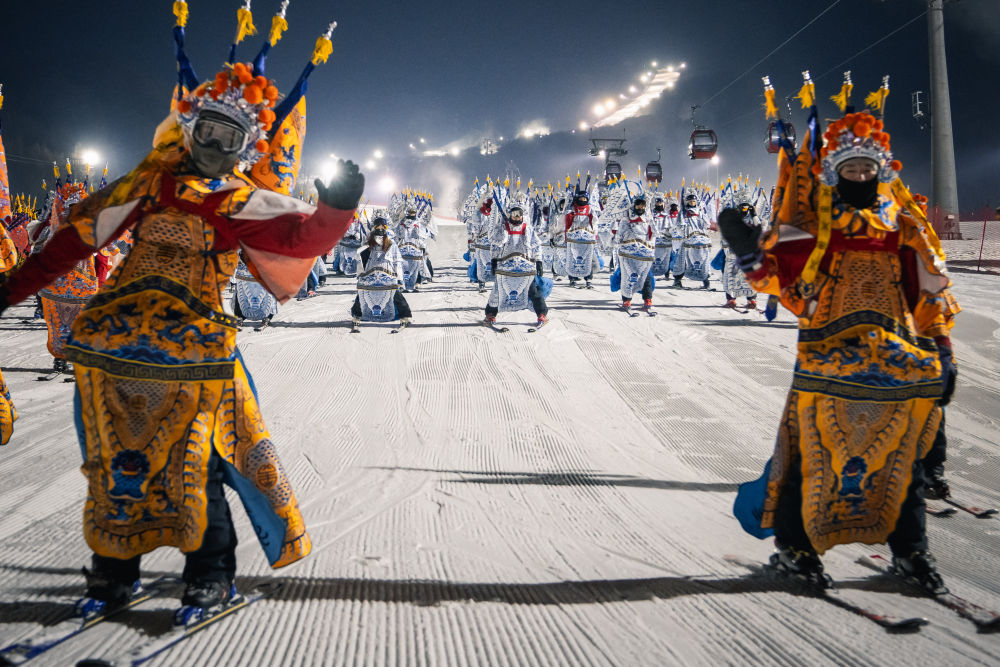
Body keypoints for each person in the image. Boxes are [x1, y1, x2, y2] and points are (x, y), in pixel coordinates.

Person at [0, 61, 364, 611]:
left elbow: (300, 236)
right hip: (117, 343)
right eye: (209, 130)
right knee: (114, 459)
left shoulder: (238, 201)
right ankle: (114, 571)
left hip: (195, 349)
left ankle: (210, 571)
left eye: (230, 137)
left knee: (203, 458)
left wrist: (339, 204)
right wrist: (8, 290)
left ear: (245, 147)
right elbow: (74, 239)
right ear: (190, 128)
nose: (216, 144)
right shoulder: (147, 183)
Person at [726, 100, 960, 592]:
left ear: (881, 170)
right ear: (835, 171)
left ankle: (911, 550)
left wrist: (942, 347)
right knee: (811, 456)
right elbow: (775, 278)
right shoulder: (815, 223)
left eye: (866, 167)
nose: (858, 173)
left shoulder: (902, 224)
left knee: (902, 460)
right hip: (826, 359)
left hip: (895, 357)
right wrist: (748, 250)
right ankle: (797, 550)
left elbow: (930, 286)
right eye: (849, 166)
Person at [485, 195, 549, 327]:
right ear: (509, 215)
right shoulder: (503, 228)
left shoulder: (528, 229)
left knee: (532, 290)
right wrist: (494, 260)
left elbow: (536, 245)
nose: (516, 217)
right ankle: (490, 314)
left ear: (522, 215)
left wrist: (539, 261)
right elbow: (496, 245)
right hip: (505, 265)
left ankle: (541, 314)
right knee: (498, 290)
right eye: (513, 214)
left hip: (525, 266)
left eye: (518, 214)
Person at [351, 218, 412, 328]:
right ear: (374, 228)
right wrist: (360, 273)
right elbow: (360, 258)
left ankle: (405, 316)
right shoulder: (368, 242)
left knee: (395, 294)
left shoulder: (391, 244)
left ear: (385, 228)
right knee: (363, 293)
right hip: (370, 272)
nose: (380, 229)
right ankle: (356, 315)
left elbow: (397, 261)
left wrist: (400, 278)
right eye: (377, 227)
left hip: (387, 272)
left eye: (382, 227)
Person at [613, 192, 656, 312]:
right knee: (627, 276)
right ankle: (626, 300)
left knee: (646, 276)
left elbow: (654, 234)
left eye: (643, 205)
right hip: (628, 253)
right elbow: (619, 235)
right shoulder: (626, 219)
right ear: (634, 206)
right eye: (638, 205)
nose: (640, 208)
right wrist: (617, 243)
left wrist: (650, 245)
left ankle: (647, 299)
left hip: (644, 253)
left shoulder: (648, 218)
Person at [721, 187, 762, 311]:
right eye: (742, 207)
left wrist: (754, 215)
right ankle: (731, 299)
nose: (745, 210)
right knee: (730, 275)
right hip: (733, 252)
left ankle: (751, 299)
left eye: (747, 207)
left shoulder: (752, 219)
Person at [671, 191, 712, 289]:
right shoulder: (683, 213)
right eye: (690, 201)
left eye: (693, 201)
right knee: (682, 261)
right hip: (688, 239)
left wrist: (704, 217)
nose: (692, 203)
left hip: (700, 239)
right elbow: (678, 226)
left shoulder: (700, 212)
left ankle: (705, 279)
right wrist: (683, 227)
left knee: (703, 259)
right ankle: (677, 280)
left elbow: (707, 225)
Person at [564, 185, 597, 288]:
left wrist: (594, 233)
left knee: (588, 258)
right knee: (572, 257)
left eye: (585, 198)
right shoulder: (572, 208)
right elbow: (567, 221)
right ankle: (572, 279)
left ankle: (588, 279)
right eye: (581, 198)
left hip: (586, 237)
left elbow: (595, 222)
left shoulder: (590, 209)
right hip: (574, 237)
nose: (583, 200)